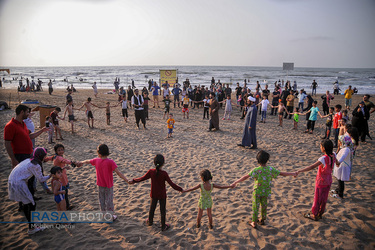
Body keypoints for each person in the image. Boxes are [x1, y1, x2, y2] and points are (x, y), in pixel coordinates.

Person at [231, 150, 297, 228]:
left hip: (257, 191)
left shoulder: (256, 170)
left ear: (257, 160)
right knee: (264, 205)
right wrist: (292, 173)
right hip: (266, 191)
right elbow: (281, 173)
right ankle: (262, 219)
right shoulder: (270, 169)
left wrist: (236, 182)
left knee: (255, 206)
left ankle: (254, 222)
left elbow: (246, 177)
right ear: (267, 160)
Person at [130, 154, 183, 231]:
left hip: (154, 194)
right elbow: (172, 184)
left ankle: (150, 222)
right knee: (162, 211)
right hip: (162, 195)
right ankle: (163, 226)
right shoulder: (164, 173)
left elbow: (142, 178)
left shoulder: (151, 172)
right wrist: (180, 189)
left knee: (152, 208)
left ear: (154, 163)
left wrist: (134, 180)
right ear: (163, 163)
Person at [78, 144, 130, 220]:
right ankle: (110, 216)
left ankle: (103, 215)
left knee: (101, 200)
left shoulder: (96, 160)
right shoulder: (110, 162)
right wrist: (127, 180)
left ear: (98, 153)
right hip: (108, 185)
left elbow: (88, 161)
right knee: (109, 201)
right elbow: (118, 172)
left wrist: (81, 162)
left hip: (100, 184)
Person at [8, 147, 51, 234]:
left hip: (14, 180)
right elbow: (41, 179)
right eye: (44, 156)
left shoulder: (29, 160)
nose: (45, 157)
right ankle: (31, 228)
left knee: (28, 203)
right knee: (30, 204)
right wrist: (51, 175)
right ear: (41, 156)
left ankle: (33, 221)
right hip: (18, 183)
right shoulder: (35, 165)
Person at [297, 139, 336, 221]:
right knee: (324, 198)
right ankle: (320, 213)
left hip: (321, 181)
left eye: (321, 146)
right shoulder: (333, 155)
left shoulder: (323, 159)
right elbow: (338, 163)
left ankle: (314, 215)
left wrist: (300, 171)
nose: (320, 147)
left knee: (317, 199)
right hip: (328, 180)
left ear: (324, 148)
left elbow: (311, 167)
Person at [45, 144, 77, 210]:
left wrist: (44, 159)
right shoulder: (59, 157)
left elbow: (48, 158)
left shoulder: (54, 156)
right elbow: (64, 160)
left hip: (58, 176)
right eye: (59, 150)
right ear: (56, 151)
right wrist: (71, 162)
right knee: (64, 193)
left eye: (62, 149)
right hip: (61, 177)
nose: (61, 151)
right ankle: (66, 206)